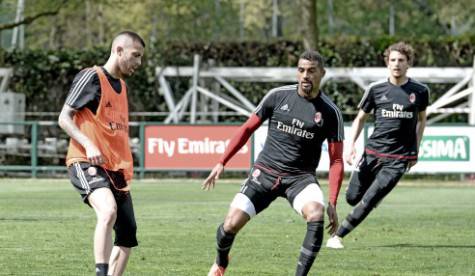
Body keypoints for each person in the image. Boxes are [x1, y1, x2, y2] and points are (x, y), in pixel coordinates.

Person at [203, 50, 345, 276]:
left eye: (311, 71)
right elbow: (247, 128)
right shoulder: (278, 96)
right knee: (229, 226)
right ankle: (221, 263)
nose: (305, 75)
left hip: (300, 179)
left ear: (322, 73)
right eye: (301, 70)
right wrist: (222, 162)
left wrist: (333, 201)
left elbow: (336, 160)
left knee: (316, 214)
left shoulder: (331, 112)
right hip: (265, 173)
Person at [326, 42, 429, 249]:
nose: (396, 64)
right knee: (352, 197)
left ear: (408, 64)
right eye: (393, 60)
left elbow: (421, 120)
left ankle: (337, 236)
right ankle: (372, 196)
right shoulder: (375, 89)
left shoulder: (420, 91)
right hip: (372, 152)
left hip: (399, 158)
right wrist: (351, 146)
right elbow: (360, 119)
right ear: (387, 63)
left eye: (401, 60)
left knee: (370, 198)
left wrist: (415, 150)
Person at [58, 31, 145, 276]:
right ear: (118, 50)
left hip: (116, 170)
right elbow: (64, 118)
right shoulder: (92, 77)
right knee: (107, 211)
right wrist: (89, 144)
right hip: (86, 162)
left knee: (127, 237)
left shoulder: (123, 87)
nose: (138, 62)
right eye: (135, 55)